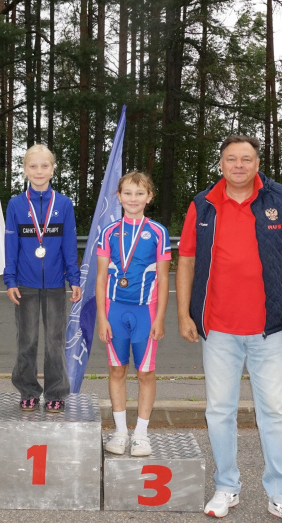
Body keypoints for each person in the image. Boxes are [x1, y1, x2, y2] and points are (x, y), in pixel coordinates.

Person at [176, 135, 282, 523]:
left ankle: (281, 494)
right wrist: (184, 314)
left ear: (257, 163)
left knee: (275, 414)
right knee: (219, 411)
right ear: (220, 163)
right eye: (231, 159)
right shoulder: (203, 204)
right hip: (218, 329)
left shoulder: (280, 199)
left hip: (271, 328)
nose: (239, 165)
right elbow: (186, 260)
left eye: (246, 159)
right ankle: (226, 487)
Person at [96, 172, 171, 456]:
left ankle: (141, 434)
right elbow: (100, 278)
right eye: (127, 193)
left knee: (145, 372)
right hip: (115, 310)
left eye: (139, 193)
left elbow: (163, 279)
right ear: (119, 196)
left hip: (145, 312)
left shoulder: (158, 232)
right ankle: (120, 432)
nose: (133, 198)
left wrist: (160, 318)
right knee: (117, 370)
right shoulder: (108, 232)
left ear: (149, 197)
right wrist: (102, 317)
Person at [4, 144, 81, 412]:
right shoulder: (16, 204)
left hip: (56, 285)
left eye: (44, 166)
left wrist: (74, 278)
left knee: (54, 342)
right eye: (33, 166)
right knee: (27, 340)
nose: (39, 171)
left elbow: (69, 244)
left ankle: (56, 392)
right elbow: (10, 246)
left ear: (52, 169)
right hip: (25, 284)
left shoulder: (64, 204)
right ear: (25, 170)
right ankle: (28, 390)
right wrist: (10, 280)